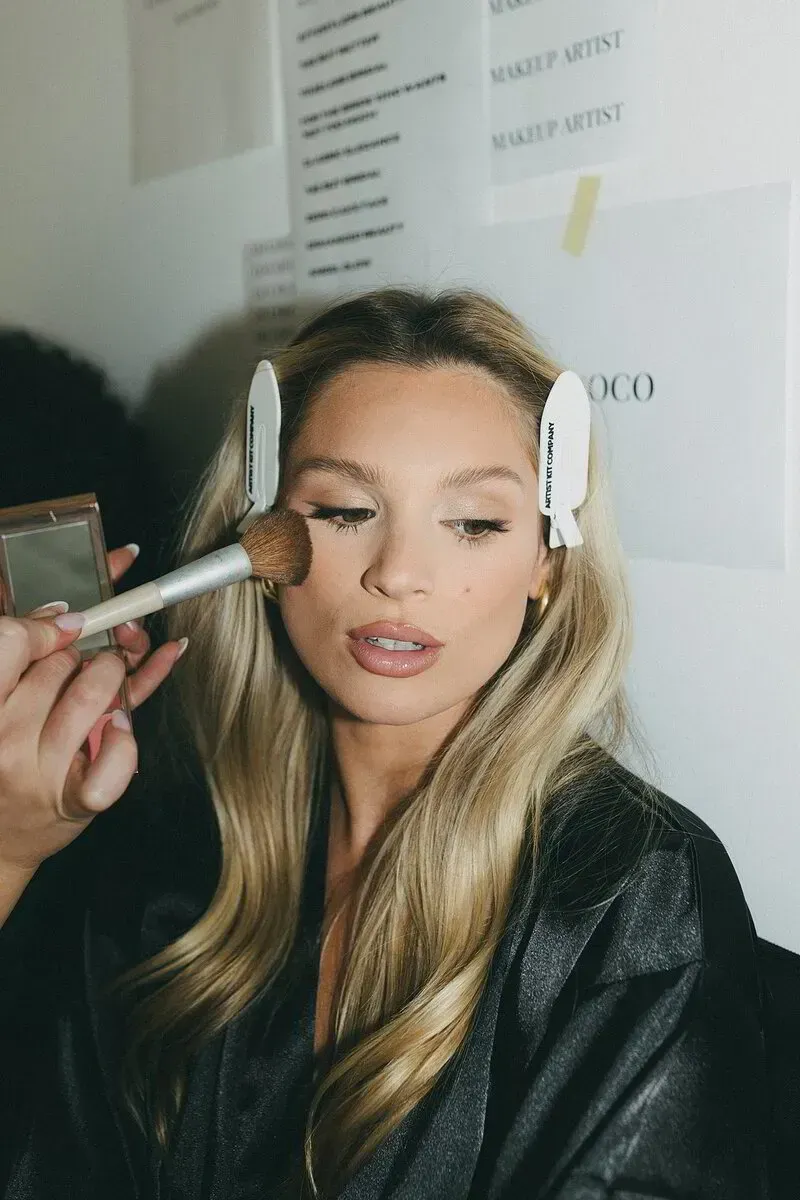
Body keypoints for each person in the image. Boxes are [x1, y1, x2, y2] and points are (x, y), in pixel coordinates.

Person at [0, 289, 773, 1198]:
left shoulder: (636, 905)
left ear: (545, 567)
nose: (398, 574)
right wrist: (10, 845)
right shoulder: (181, 859)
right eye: (342, 510)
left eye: (475, 523)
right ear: (264, 544)